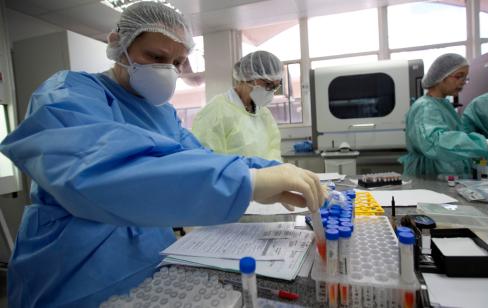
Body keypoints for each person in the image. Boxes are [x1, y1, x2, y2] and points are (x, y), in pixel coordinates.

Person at [0, 2, 325, 307]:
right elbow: (97, 170)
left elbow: (201, 159)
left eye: (176, 62)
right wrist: (248, 181)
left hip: (151, 259)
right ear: (118, 45)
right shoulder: (68, 94)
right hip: (72, 272)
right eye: (156, 56)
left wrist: (271, 172)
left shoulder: (162, 115)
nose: (168, 70)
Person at [399, 53, 488, 178]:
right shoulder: (425, 107)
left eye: (465, 77)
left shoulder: (443, 105)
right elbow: (436, 142)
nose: (462, 82)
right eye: (458, 76)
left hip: (444, 173)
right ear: (440, 77)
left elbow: (457, 141)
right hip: (430, 174)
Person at [192, 51, 283, 161]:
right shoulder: (216, 112)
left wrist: (274, 173)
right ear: (248, 77)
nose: (270, 92)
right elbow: (209, 162)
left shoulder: (264, 114)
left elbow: (274, 150)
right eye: (268, 84)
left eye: (275, 87)